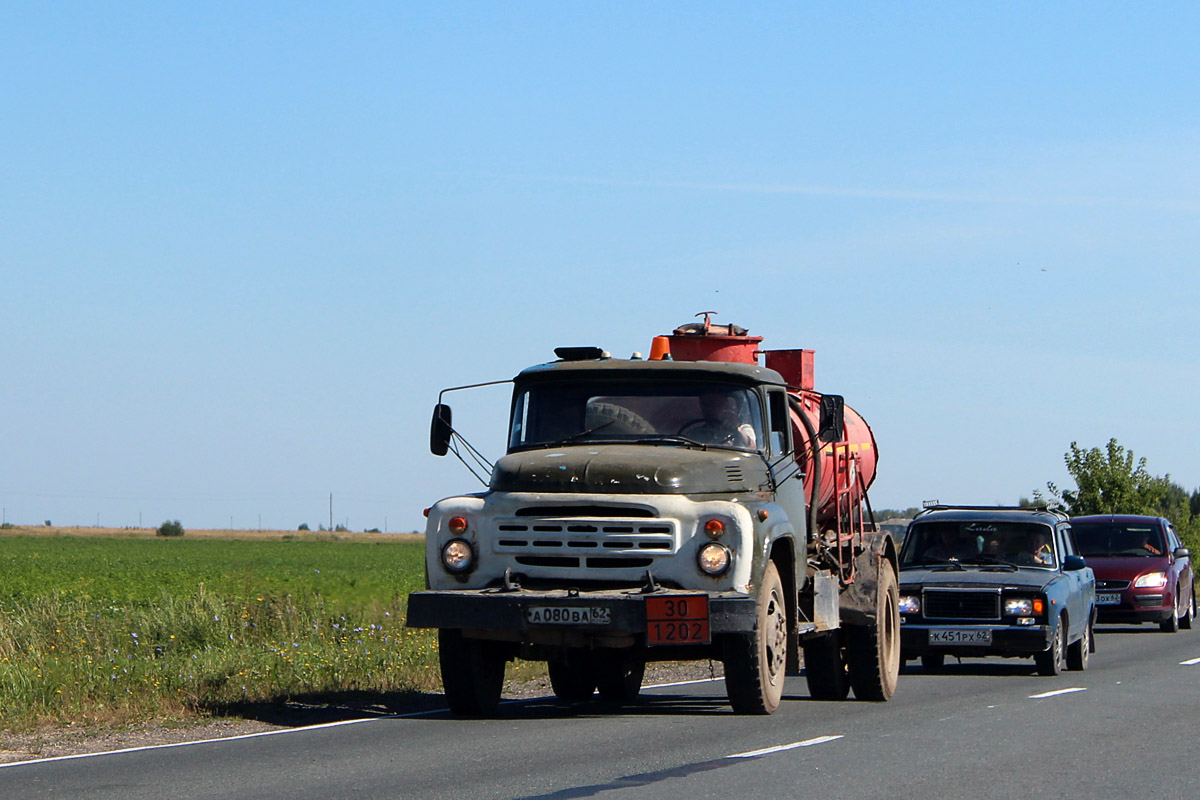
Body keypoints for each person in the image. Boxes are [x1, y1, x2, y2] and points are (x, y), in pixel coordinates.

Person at [686, 390, 757, 448]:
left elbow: (752, 448)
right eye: (705, 404)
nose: (710, 409)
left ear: (725, 405)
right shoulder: (697, 434)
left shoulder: (744, 429)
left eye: (715, 404)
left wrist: (736, 430)